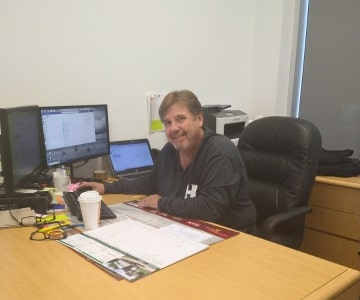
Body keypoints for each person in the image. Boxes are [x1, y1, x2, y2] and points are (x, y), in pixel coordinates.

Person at [79, 90, 256, 231]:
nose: (174, 129)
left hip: (232, 236)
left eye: (180, 119)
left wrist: (161, 202)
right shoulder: (171, 150)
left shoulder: (220, 153)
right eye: (167, 123)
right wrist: (106, 187)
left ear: (199, 119)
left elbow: (209, 208)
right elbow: (150, 183)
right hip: (191, 229)